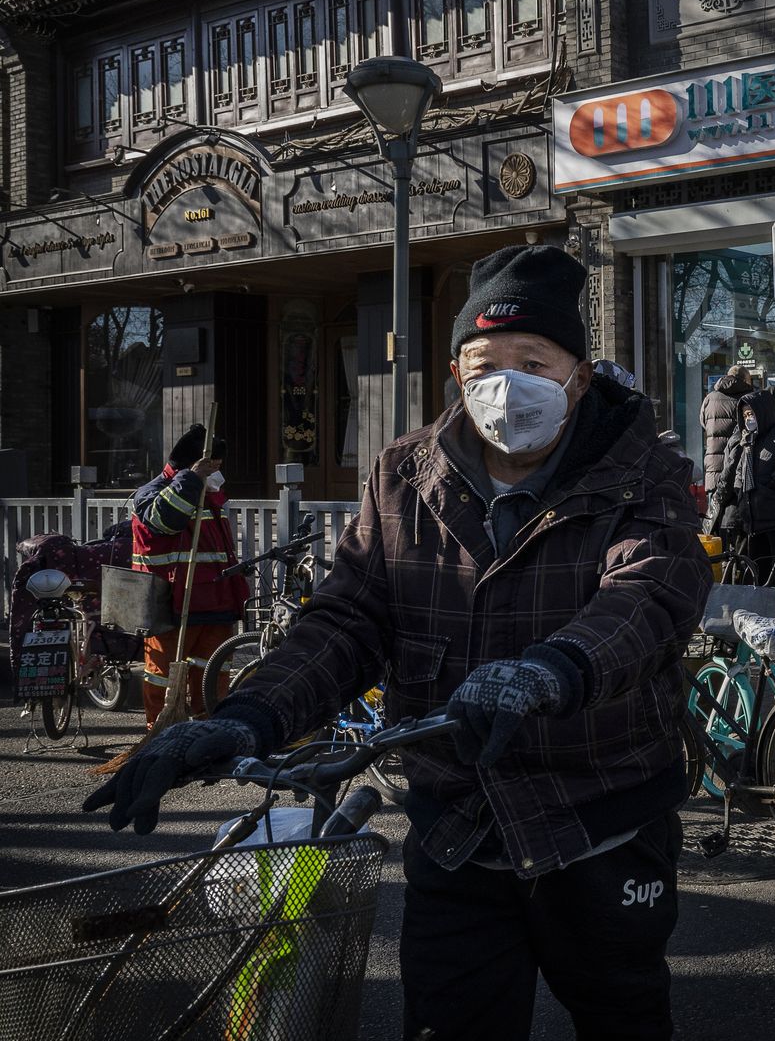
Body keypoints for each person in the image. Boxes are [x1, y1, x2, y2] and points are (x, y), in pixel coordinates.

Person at [87, 244, 709, 1040]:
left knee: (622, 1017)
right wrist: (243, 719)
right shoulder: (404, 475)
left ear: (577, 376)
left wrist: (552, 670)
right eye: (485, 360)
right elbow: (348, 620)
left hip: (599, 818)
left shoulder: (643, 471)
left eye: (535, 360)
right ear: (456, 371)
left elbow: (649, 595)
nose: (507, 383)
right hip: (455, 825)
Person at [129, 425, 250, 727]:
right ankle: (159, 730)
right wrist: (191, 479)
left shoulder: (209, 495)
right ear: (191, 465)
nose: (217, 475)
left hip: (214, 601)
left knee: (212, 671)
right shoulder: (151, 493)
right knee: (163, 674)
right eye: (212, 468)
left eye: (218, 469)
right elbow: (165, 521)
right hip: (171, 604)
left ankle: (209, 727)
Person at [719, 388, 775, 615]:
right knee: (756, 569)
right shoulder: (744, 440)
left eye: (752, 414)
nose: (749, 419)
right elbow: (736, 473)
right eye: (745, 415)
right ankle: (759, 614)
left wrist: (770, 482)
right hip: (753, 521)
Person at [700, 365, 755, 512]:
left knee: (714, 523)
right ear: (745, 380)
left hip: (714, 470)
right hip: (739, 470)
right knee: (738, 521)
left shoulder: (710, 398)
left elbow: (704, 424)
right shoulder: (748, 398)